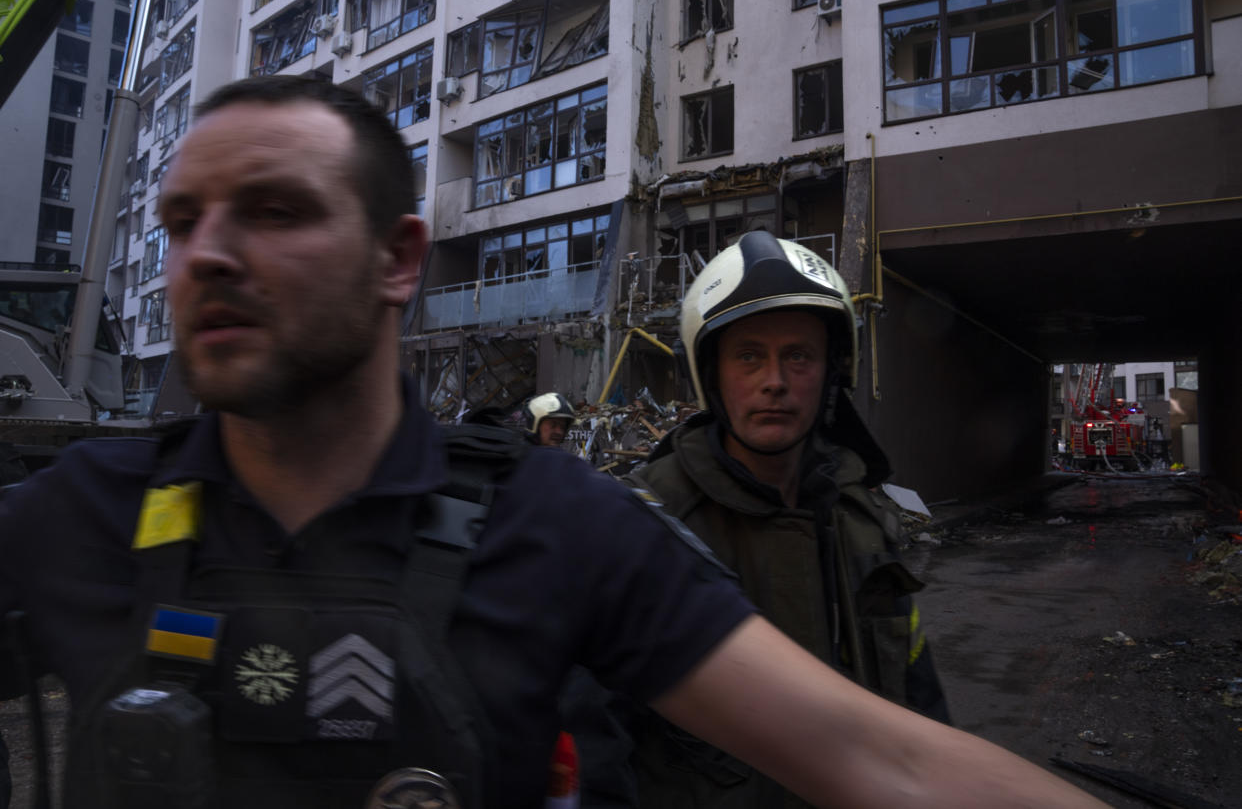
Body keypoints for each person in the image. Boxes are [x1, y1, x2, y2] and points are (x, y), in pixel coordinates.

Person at [0, 76, 1108, 809]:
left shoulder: (558, 529)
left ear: (399, 258)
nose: (208, 256)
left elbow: (885, 751)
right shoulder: (79, 514)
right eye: (183, 221)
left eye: (275, 211)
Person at [620, 231, 948, 807]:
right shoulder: (647, 525)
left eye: (798, 355)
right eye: (749, 355)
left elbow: (923, 712)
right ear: (713, 373)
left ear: (830, 372)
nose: (774, 380)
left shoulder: (863, 520)